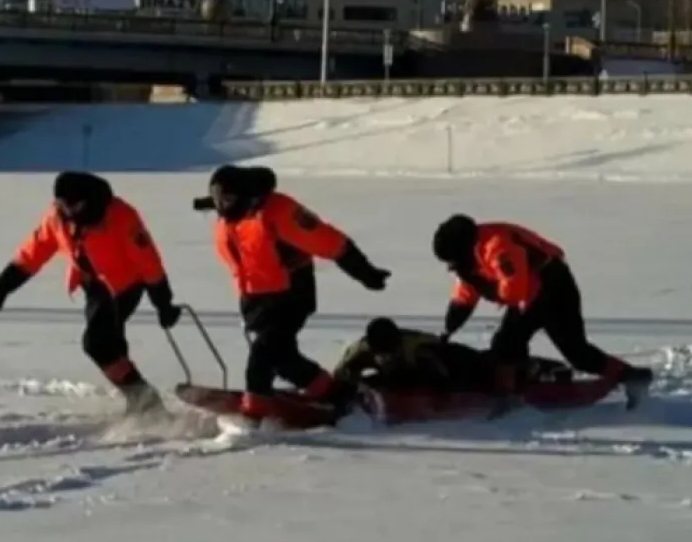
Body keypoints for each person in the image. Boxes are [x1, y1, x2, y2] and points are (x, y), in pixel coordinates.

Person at [195, 164, 391, 420]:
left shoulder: (279, 212)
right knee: (284, 360)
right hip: (256, 300)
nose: (221, 207)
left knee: (262, 356)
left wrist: (366, 273)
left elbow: (329, 241)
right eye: (217, 201)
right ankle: (337, 395)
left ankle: (253, 417)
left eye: (228, 200)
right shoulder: (232, 215)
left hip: (291, 296)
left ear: (246, 196)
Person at [0, 171, 182, 416]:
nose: (68, 210)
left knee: (97, 343)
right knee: (110, 344)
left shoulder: (120, 216)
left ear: (88, 200)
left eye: (73, 204)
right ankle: (138, 399)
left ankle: (144, 398)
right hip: (93, 285)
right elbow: (34, 251)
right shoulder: (57, 217)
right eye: (62, 204)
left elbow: (147, 261)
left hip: (125, 284)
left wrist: (163, 302)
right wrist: (4, 287)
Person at [430, 214, 654, 410]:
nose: (452, 266)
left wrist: (482, 284)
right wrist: (449, 329)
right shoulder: (470, 258)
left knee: (513, 343)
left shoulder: (498, 247)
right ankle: (632, 376)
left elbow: (514, 289)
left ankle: (509, 398)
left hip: (552, 285)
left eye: (452, 260)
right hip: (531, 291)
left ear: (463, 248)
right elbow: (465, 295)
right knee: (528, 345)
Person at [332, 317, 574, 393]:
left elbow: (443, 380)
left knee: (485, 368)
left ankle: (538, 368)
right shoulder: (361, 350)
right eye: (381, 353)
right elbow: (341, 374)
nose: (385, 357)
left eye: (390, 351)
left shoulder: (419, 348)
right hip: (409, 373)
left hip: (448, 358)